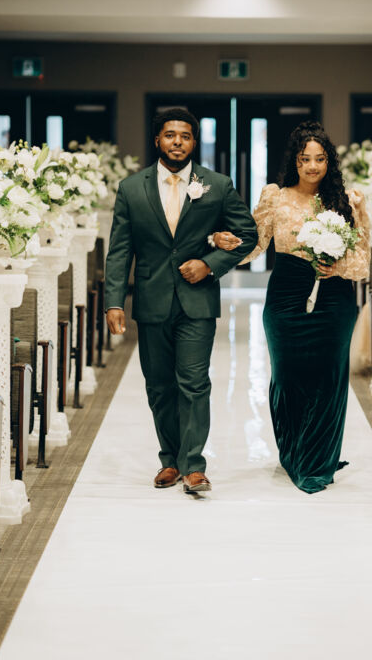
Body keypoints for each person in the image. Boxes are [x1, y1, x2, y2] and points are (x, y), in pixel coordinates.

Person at [105, 108, 257, 494]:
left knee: (194, 382)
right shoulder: (131, 188)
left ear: (194, 142)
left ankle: (193, 466)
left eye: (185, 136)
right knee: (159, 386)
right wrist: (114, 302)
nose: (178, 142)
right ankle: (169, 460)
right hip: (151, 299)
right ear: (157, 139)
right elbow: (120, 250)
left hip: (197, 301)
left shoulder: (217, 185)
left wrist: (210, 264)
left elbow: (248, 234)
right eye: (170, 135)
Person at [213, 121, 370, 493]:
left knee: (327, 379)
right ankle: (294, 451)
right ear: (295, 162)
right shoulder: (275, 197)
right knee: (287, 377)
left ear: (329, 162)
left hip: (333, 299)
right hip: (286, 296)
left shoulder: (347, 200)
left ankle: (316, 462)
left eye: (320, 159)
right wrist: (226, 245)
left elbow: (363, 260)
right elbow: (255, 244)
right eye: (305, 159)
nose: (313, 166)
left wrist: (337, 267)